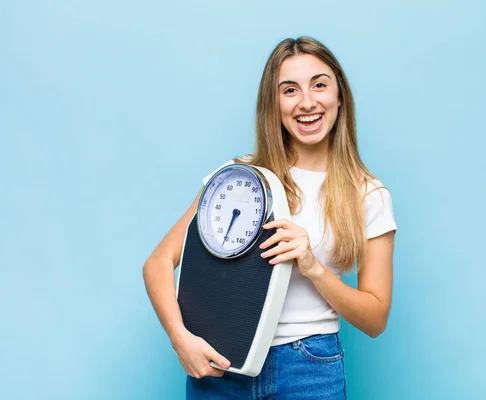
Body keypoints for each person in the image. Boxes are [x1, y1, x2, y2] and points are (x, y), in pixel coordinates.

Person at [143, 36, 397, 399]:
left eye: (319, 85)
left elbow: (375, 319)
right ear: (273, 104)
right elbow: (158, 263)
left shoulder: (368, 194)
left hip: (310, 371)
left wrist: (313, 267)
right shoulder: (239, 178)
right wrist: (180, 339)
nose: (307, 102)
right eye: (289, 90)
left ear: (339, 96)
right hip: (221, 365)